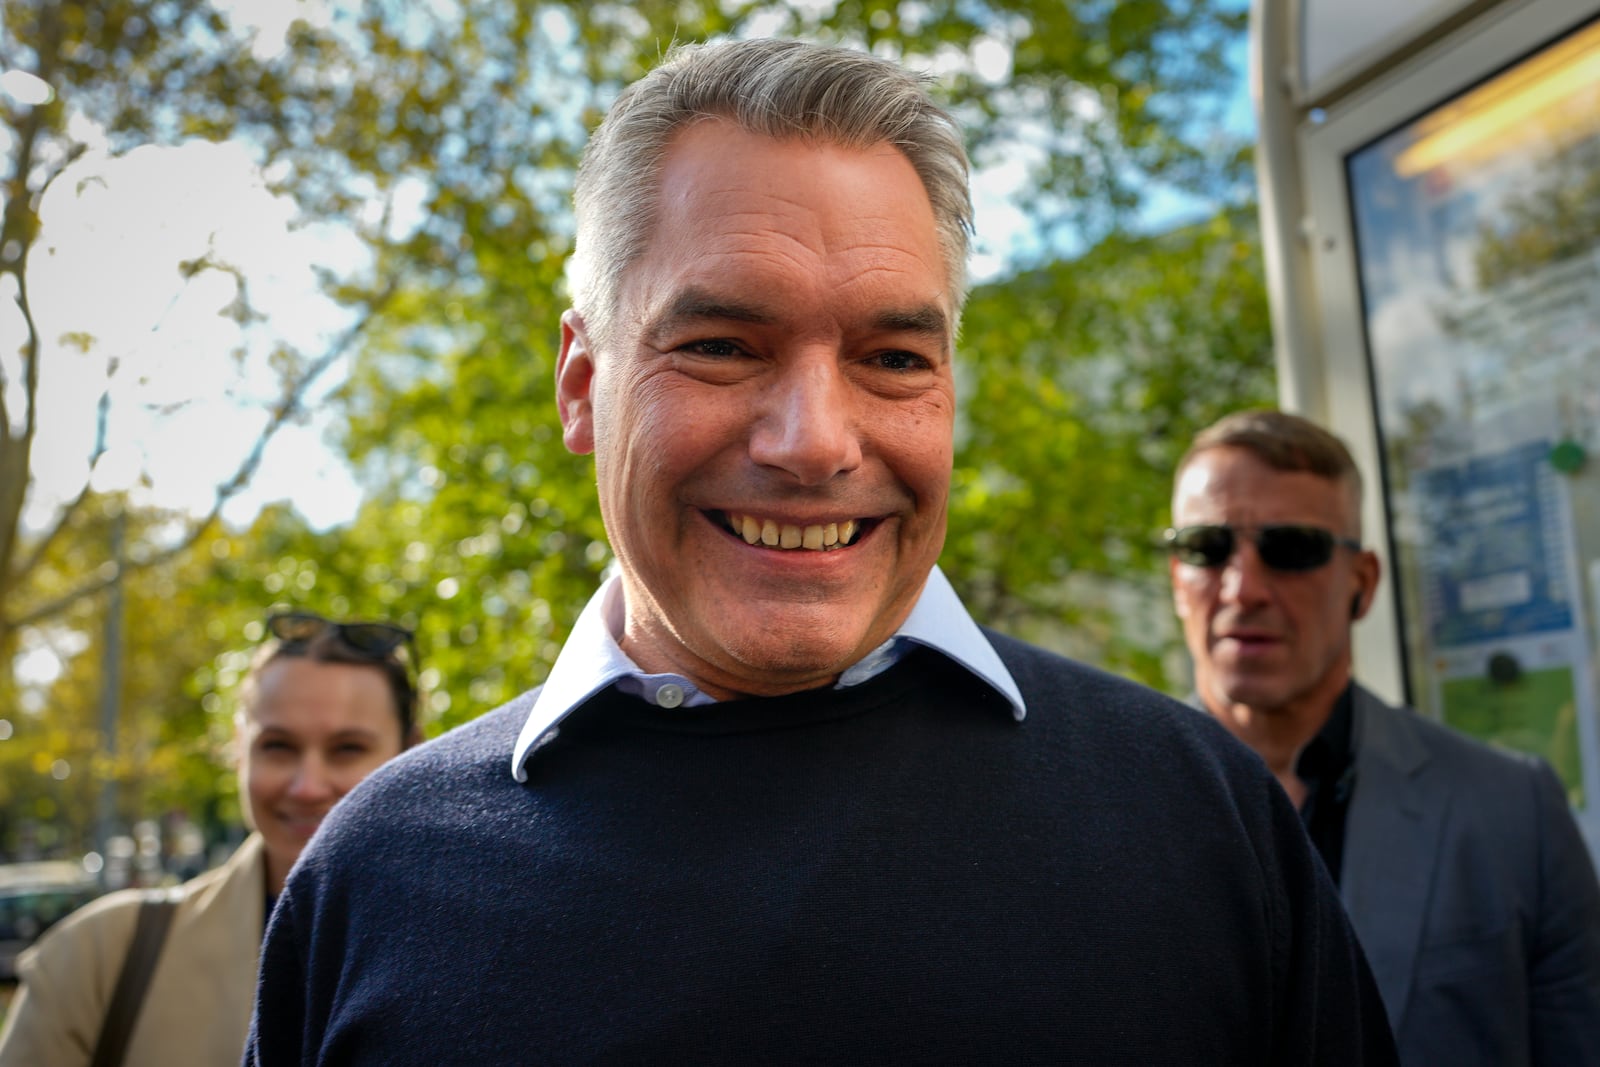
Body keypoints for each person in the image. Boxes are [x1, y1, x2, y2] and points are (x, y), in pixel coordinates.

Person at [247, 39, 1397, 1065]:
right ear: (583, 384)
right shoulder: (372, 877)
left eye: (893, 358)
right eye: (720, 344)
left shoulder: (1196, 815)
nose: (813, 443)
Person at [1166, 408, 1600, 1067]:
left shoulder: (1516, 811)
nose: (1243, 586)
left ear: (1362, 584)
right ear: (1177, 577)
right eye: (1207, 546)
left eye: (1292, 548)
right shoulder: (1099, 808)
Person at [0, 612, 421, 1067]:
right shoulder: (93, 960)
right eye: (277, 746)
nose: (307, 786)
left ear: (415, 755)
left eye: (347, 749)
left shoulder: (474, 950)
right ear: (239, 750)